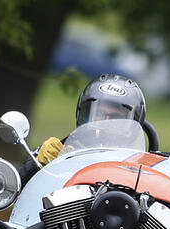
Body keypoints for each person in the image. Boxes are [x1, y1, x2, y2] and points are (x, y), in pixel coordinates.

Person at [18, 74, 148, 182]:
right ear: (83, 112)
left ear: (133, 124)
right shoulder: (62, 152)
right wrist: (37, 163)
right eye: (99, 114)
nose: (106, 122)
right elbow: (11, 188)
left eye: (116, 117)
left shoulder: (141, 168)